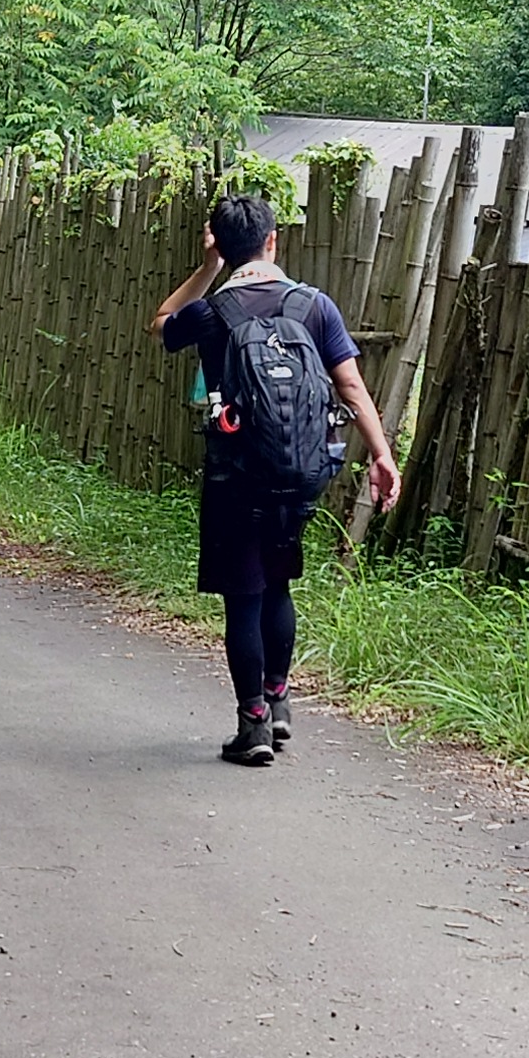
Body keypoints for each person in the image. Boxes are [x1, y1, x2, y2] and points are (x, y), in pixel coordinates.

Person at [152, 190, 402, 766]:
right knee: (278, 584)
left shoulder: (211, 313)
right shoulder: (314, 306)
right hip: (298, 471)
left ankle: (254, 725)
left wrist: (207, 269)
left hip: (233, 472)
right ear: (273, 240)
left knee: (244, 595)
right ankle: (280, 698)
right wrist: (381, 454)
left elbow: (159, 324)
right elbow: (350, 386)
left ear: (223, 246)